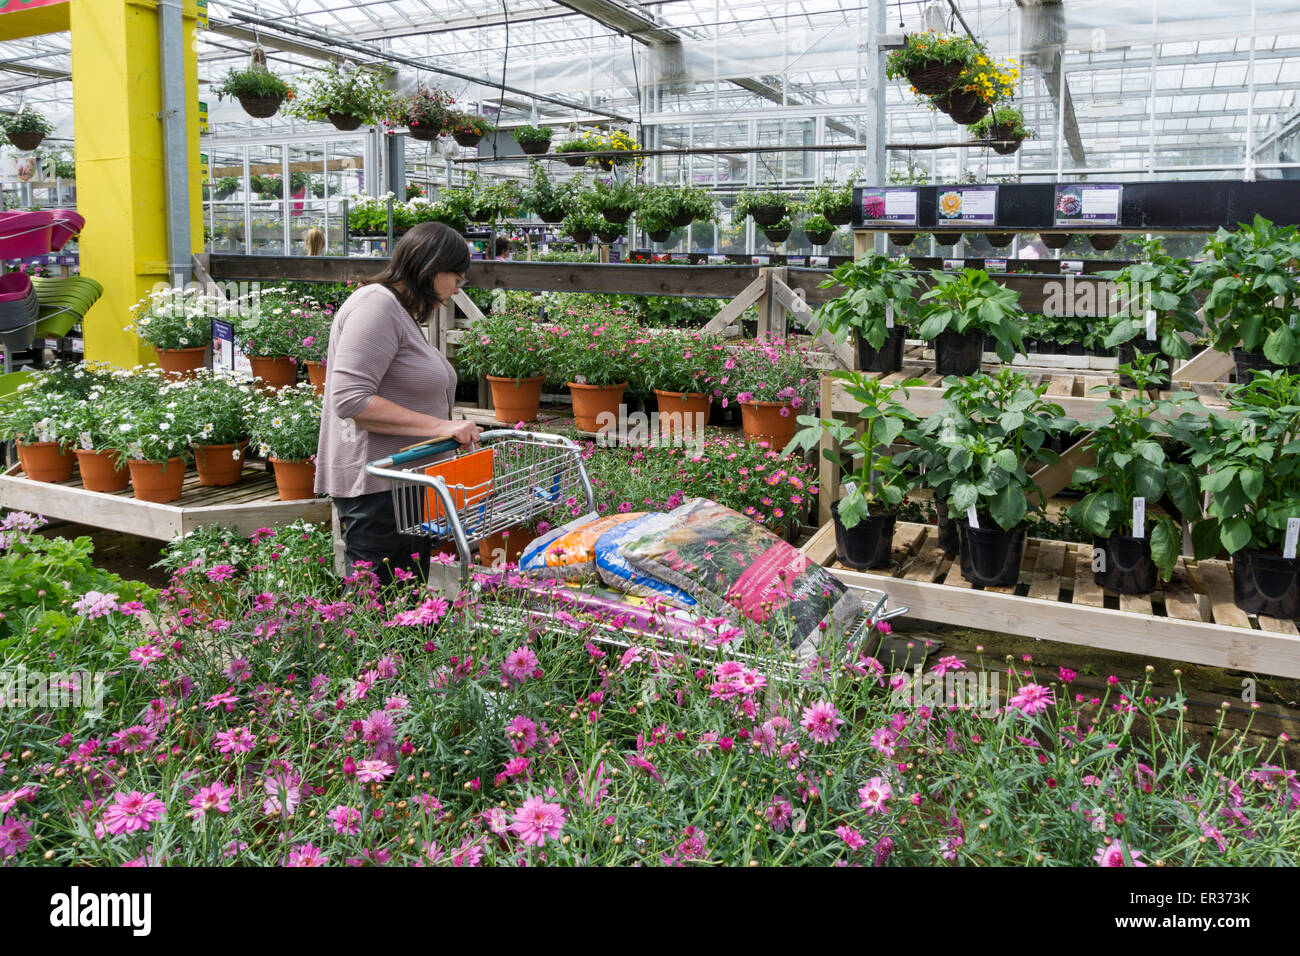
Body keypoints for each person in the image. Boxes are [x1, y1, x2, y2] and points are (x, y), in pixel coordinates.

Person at [315, 221, 483, 585]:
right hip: (377, 490)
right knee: (381, 615)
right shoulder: (376, 305)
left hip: (401, 488)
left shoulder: (397, 310)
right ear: (430, 266)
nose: (457, 288)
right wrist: (443, 427)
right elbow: (351, 399)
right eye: (456, 276)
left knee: (402, 608)